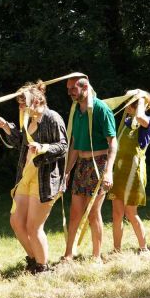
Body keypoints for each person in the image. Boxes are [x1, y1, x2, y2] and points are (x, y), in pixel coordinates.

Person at [0, 82, 68, 274]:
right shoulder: (28, 118)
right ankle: (33, 259)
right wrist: (5, 126)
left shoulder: (52, 118)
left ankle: (43, 267)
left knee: (33, 227)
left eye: (22, 103)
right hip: (25, 175)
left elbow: (63, 146)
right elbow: (21, 141)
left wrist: (43, 148)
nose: (20, 107)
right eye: (19, 104)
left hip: (44, 178)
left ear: (37, 101)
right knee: (17, 222)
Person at [59, 76, 118, 263]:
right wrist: (67, 171)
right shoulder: (76, 110)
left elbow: (113, 143)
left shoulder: (101, 109)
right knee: (75, 212)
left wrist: (108, 171)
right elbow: (75, 145)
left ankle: (96, 257)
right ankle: (68, 255)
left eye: (73, 89)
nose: (69, 93)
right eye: (68, 89)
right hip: (81, 165)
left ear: (85, 87)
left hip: (98, 163)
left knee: (93, 213)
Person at [109, 97, 150, 255]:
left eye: (133, 103)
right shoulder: (126, 122)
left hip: (133, 172)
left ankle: (144, 248)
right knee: (117, 213)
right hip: (119, 172)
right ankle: (117, 250)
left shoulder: (149, 121)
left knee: (131, 212)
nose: (128, 106)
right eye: (129, 103)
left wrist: (141, 100)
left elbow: (140, 117)